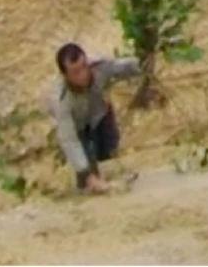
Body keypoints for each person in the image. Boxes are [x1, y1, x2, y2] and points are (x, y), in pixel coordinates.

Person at [46, 41, 141, 193]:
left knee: (108, 153)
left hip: (99, 115)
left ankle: (112, 176)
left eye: (84, 66)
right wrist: (86, 174)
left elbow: (120, 67)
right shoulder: (60, 99)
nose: (83, 74)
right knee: (86, 178)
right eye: (75, 72)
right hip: (77, 128)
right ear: (65, 75)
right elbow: (69, 139)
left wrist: (141, 63)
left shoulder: (98, 66)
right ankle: (89, 183)